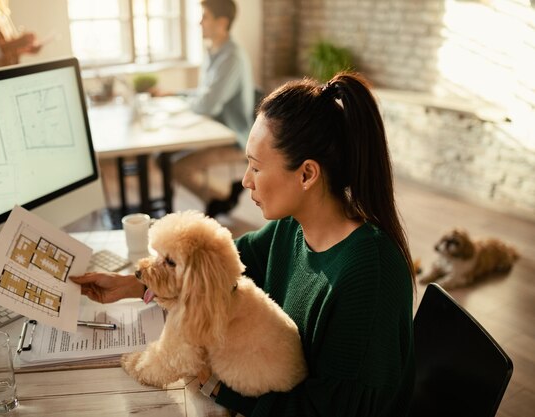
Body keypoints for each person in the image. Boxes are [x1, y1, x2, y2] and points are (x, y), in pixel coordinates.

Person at [72, 72, 416, 416]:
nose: (245, 180)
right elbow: (220, 265)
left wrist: (216, 386)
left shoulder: (369, 274)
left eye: (255, 167)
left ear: (307, 174)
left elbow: (329, 411)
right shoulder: (291, 227)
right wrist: (132, 284)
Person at [161, 0, 255, 217]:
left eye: (205, 17)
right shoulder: (214, 52)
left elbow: (206, 105)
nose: (199, 22)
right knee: (161, 158)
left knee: (175, 166)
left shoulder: (231, 57)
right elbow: (203, 95)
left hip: (233, 137)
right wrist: (175, 94)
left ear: (222, 23)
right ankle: (223, 196)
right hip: (212, 130)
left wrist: (185, 103)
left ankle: (222, 197)